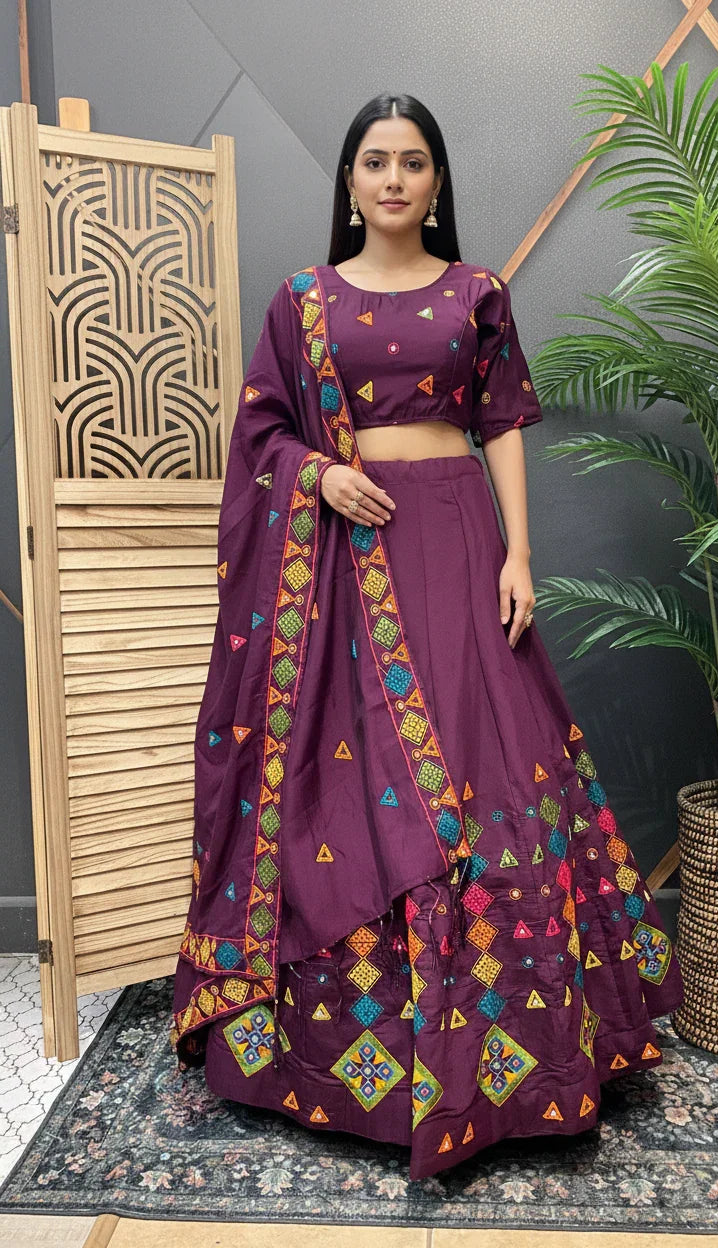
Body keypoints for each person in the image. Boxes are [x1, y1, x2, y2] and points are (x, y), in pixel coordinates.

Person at [170, 93, 685, 1182]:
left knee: (484, 763)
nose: (393, 179)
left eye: (411, 162)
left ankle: (517, 1061)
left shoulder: (476, 293)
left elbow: (498, 419)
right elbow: (259, 429)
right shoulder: (302, 302)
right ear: (349, 183)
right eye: (374, 162)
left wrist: (516, 555)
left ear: (436, 182)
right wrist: (320, 473)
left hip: (452, 540)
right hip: (345, 557)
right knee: (347, 778)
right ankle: (337, 1061)